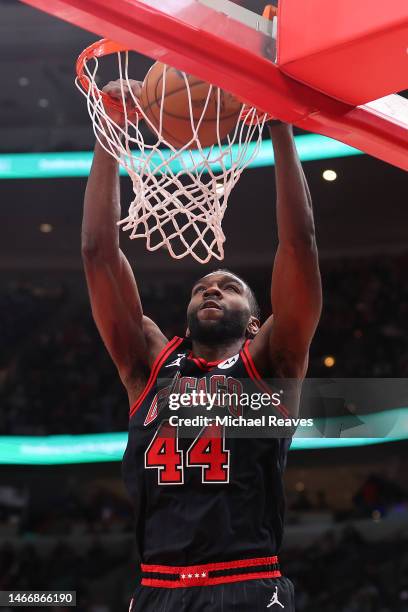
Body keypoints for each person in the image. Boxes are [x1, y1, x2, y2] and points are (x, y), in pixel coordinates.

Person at [81, 79, 322, 611]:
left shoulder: (273, 361)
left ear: (256, 323)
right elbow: (98, 252)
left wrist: (279, 125)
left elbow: (299, 245)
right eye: (201, 287)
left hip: (247, 581)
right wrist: (111, 134)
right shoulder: (148, 363)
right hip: (159, 588)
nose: (211, 287)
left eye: (229, 287)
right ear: (186, 319)